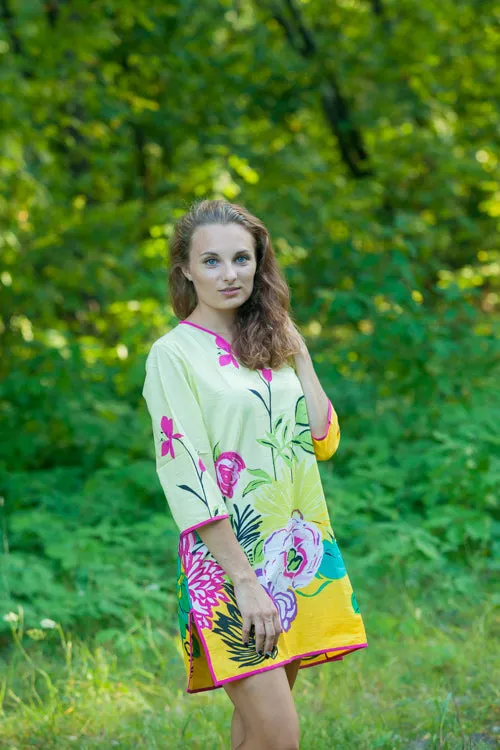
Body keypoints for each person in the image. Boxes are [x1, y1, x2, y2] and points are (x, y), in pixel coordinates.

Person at [142, 199, 368, 750]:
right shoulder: (173, 356)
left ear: (259, 264)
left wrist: (298, 353)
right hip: (228, 570)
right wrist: (243, 581)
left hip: (289, 556)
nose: (229, 273)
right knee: (280, 738)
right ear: (186, 270)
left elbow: (323, 439)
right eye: (212, 261)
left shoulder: (271, 343)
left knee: (257, 739)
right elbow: (188, 474)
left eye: (242, 258)